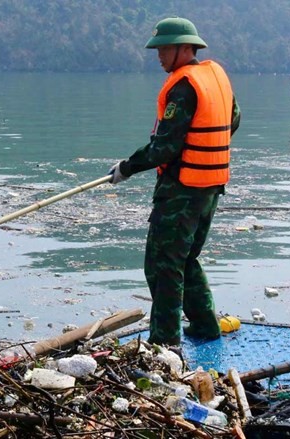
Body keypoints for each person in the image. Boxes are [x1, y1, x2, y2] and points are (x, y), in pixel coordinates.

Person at [108, 17, 241, 346]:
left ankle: (165, 342)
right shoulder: (215, 76)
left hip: (182, 190)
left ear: (186, 48)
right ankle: (206, 326)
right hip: (210, 185)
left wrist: (126, 167)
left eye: (165, 48)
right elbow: (234, 118)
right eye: (158, 49)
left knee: (162, 265)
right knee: (186, 258)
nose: (159, 55)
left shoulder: (183, 88)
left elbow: (164, 147)